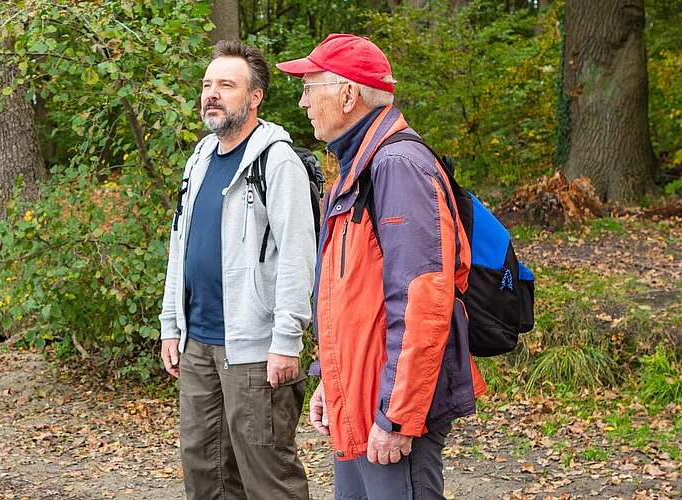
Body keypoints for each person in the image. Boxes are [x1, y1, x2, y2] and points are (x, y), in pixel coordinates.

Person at [277, 34, 486, 499]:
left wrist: (398, 415)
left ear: (349, 94)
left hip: (387, 413)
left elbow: (423, 302)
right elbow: (354, 300)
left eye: (311, 87)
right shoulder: (357, 168)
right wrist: (330, 380)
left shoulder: (397, 166)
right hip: (358, 399)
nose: (303, 101)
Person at [157, 39, 317, 500]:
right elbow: (179, 247)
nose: (212, 94)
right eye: (208, 84)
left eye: (226, 85)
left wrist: (287, 340)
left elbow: (297, 256)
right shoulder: (199, 159)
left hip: (255, 351)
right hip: (198, 346)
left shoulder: (277, 160)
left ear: (254, 97)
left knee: (268, 478)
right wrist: (172, 325)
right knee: (205, 476)